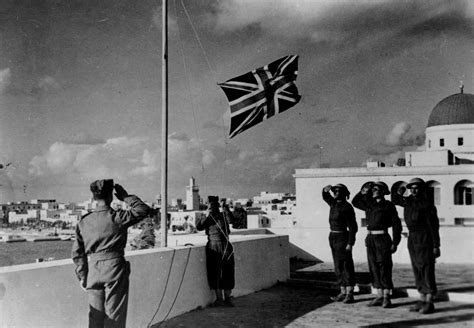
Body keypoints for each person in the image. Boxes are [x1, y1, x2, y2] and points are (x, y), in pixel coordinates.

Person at [71, 179, 151, 327]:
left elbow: (77, 253)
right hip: (114, 269)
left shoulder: (84, 222)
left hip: (93, 271)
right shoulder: (118, 217)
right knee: (114, 317)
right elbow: (143, 210)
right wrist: (126, 197)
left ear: (94, 198)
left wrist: (83, 275)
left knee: (95, 318)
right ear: (110, 197)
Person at [392, 178, 440, 314]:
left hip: (424, 237)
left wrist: (436, 245)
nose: (413, 190)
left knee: (426, 267)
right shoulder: (408, 201)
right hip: (412, 238)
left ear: (422, 189)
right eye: (411, 188)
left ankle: (429, 301)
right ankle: (422, 298)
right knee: (417, 268)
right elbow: (395, 199)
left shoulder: (427, 205)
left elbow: (434, 226)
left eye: (416, 188)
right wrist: (400, 191)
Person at [352, 181, 402, 308]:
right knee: (373, 267)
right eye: (372, 189)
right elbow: (355, 202)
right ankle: (379, 295)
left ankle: (386, 297)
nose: (373, 191)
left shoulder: (388, 205)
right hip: (370, 238)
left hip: (383, 238)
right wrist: (363, 190)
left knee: (384, 266)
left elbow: (397, 224)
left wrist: (395, 242)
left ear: (383, 191)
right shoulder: (369, 203)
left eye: (376, 189)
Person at [196, 196, 235, 307]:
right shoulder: (209, 218)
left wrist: (226, 208)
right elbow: (199, 227)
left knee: (227, 272)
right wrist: (205, 214)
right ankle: (219, 299)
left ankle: (227, 299)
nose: (212, 207)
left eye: (213, 205)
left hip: (225, 245)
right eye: (210, 205)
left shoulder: (223, 215)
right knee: (215, 273)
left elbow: (231, 221)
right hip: (213, 246)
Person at [322, 184, 358, 304]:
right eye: (335, 191)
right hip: (333, 237)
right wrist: (324, 190)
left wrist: (350, 243)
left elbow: (353, 227)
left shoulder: (347, 207)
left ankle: (350, 293)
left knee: (346, 265)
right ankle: (342, 291)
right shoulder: (333, 203)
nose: (336, 193)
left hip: (343, 237)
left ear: (344, 193)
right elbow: (325, 196)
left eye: (339, 191)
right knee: (337, 266)